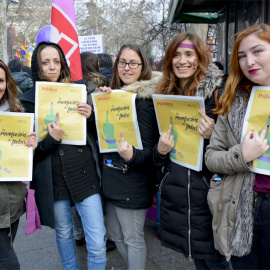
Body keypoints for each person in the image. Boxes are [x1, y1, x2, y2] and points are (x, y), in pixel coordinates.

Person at [27, 41, 107, 270]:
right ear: (38, 66)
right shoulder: (28, 101)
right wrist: (50, 140)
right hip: (53, 179)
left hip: (84, 175)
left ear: (62, 63)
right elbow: (30, 153)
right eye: (45, 62)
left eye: (56, 61)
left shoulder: (79, 91)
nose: (51, 67)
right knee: (63, 234)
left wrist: (91, 116)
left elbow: (98, 135)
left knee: (98, 241)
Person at [153, 32, 229, 270]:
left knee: (216, 261)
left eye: (189, 54)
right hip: (178, 195)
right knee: (198, 259)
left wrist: (213, 135)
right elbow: (157, 155)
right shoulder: (163, 95)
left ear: (200, 57)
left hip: (209, 195)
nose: (182, 60)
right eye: (176, 55)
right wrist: (160, 151)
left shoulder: (220, 92)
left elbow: (237, 148)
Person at [205, 23, 270, 269]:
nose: (249, 61)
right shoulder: (233, 100)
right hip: (242, 208)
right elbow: (211, 158)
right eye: (242, 56)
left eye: (257, 51)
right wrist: (241, 155)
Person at [100, 44, 161, 270]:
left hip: (132, 180)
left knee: (132, 238)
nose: (127, 67)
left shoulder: (145, 102)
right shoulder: (115, 95)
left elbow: (152, 153)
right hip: (114, 177)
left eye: (133, 63)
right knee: (115, 233)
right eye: (123, 62)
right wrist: (101, 104)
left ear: (143, 66)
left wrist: (132, 155)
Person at [0, 60, 37, 270]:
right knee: (7, 260)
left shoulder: (17, 114)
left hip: (11, 201)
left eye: (0, 80)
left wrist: (31, 146)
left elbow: (22, 158)